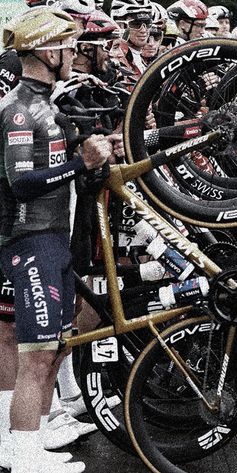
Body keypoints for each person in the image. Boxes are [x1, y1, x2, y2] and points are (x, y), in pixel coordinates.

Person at [0, 7, 116, 472]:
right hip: (30, 243)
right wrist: (81, 163)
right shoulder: (18, 109)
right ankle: (23, 458)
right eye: (67, 46)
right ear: (47, 50)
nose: (73, 54)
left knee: (51, 353)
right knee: (37, 355)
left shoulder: (46, 104)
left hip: (55, 239)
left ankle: (30, 443)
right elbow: (21, 182)